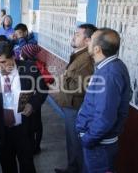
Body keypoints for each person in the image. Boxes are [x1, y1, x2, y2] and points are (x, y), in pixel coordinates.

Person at [0, 42, 48, 173]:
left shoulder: (29, 68)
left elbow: (42, 90)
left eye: (3, 62)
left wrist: (33, 104)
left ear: (13, 57)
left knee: (27, 164)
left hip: (24, 128)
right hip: (1, 131)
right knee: (7, 166)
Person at [76, 28, 132, 173]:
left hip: (99, 145)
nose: (87, 42)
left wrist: (88, 139)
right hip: (100, 143)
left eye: (90, 40)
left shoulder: (108, 73)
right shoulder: (113, 65)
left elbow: (105, 117)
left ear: (97, 49)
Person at [52, 24, 97, 173]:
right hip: (70, 105)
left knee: (76, 142)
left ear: (87, 40)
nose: (73, 36)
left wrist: (61, 86)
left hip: (75, 107)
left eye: (78, 34)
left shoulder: (86, 60)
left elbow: (82, 87)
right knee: (72, 141)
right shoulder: (79, 55)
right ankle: (72, 167)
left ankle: (76, 168)